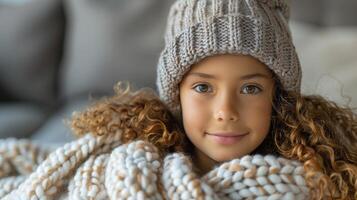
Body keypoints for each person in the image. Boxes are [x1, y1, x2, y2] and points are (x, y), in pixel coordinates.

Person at [1, 0, 356, 199]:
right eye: (203, 88)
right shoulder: (131, 161)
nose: (226, 112)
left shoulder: (319, 179)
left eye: (250, 89)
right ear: (177, 96)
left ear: (277, 96)